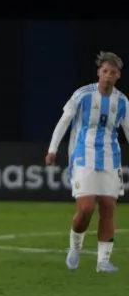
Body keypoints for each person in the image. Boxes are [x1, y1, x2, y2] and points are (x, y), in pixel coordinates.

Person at [45, 51, 128, 273]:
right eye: (105, 71)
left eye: (113, 72)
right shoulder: (83, 95)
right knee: (86, 208)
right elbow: (64, 122)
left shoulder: (121, 101)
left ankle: (103, 261)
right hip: (84, 155)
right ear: (99, 73)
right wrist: (52, 149)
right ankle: (75, 247)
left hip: (111, 157)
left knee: (109, 207)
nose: (108, 76)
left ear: (118, 75)